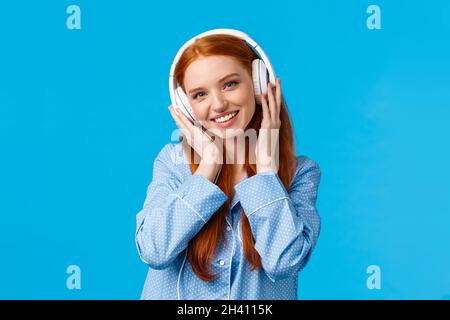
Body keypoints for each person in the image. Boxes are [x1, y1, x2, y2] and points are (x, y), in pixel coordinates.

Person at [135, 29, 322, 300]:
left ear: (259, 84)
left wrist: (266, 172)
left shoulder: (301, 173)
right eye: (200, 94)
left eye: (230, 84)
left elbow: (285, 262)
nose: (219, 104)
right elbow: (154, 250)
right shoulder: (172, 163)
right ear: (186, 107)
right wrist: (208, 167)